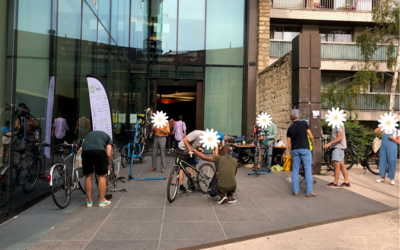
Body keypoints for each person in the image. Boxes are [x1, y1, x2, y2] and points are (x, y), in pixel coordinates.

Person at [287, 113, 316, 197]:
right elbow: (311, 136)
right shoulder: (304, 123)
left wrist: (292, 150)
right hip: (305, 149)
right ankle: (309, 191)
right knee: (307, 169)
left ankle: (296, 191)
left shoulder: (290, 128)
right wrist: (312, 144)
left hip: (295, 150)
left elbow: (289, 144)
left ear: (291, 120)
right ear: (298, 118)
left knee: (295, 169)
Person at [82, 131, 112, 208]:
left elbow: (82, 151)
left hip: (86, 152)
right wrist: (107, 164)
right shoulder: (108, 138)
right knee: (101, 176)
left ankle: (89, 201)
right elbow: (108, 154)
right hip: (99, 151)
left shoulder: (88, 135)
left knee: (88, 176)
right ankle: (102, 201)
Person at [176, 130, 205, 195]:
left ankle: (191, 186)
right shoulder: (196, 133)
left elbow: (197, 143)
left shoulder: (205, 139)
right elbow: (185, 139)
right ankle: (181, 187)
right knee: (182, 168)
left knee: (192, 167)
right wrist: (189, 148)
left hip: (192, 150)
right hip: (183, 149)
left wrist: (199, 148)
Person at [323, 123, 351, 188]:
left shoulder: (338, 124)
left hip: (338, 147)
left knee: (336, 164)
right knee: (341, 164)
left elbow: (340, 137)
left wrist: (329, 144)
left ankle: (335, 183)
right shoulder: (338, 123)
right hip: (339, 148)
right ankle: (347, 182)